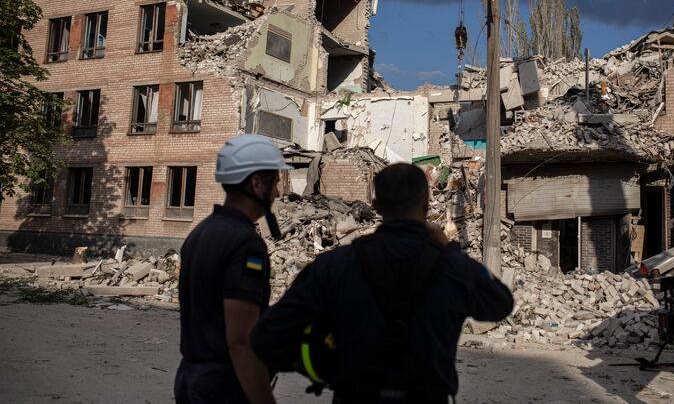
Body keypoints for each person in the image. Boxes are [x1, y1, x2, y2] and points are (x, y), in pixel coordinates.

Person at [250, 163, 514, 403]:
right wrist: (449, 248)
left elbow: (267, 336)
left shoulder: (335, 265)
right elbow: (499, 304)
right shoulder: (452, 267)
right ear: (426, 204)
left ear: (375, 205)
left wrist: (323, 369)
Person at [175, 134, 290, 404]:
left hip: (191, 380)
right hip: (224, 387)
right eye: (275, 183)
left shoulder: (201, 232)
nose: (278, 193)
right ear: (256, 183)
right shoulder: (245, 243)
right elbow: (240, 340)